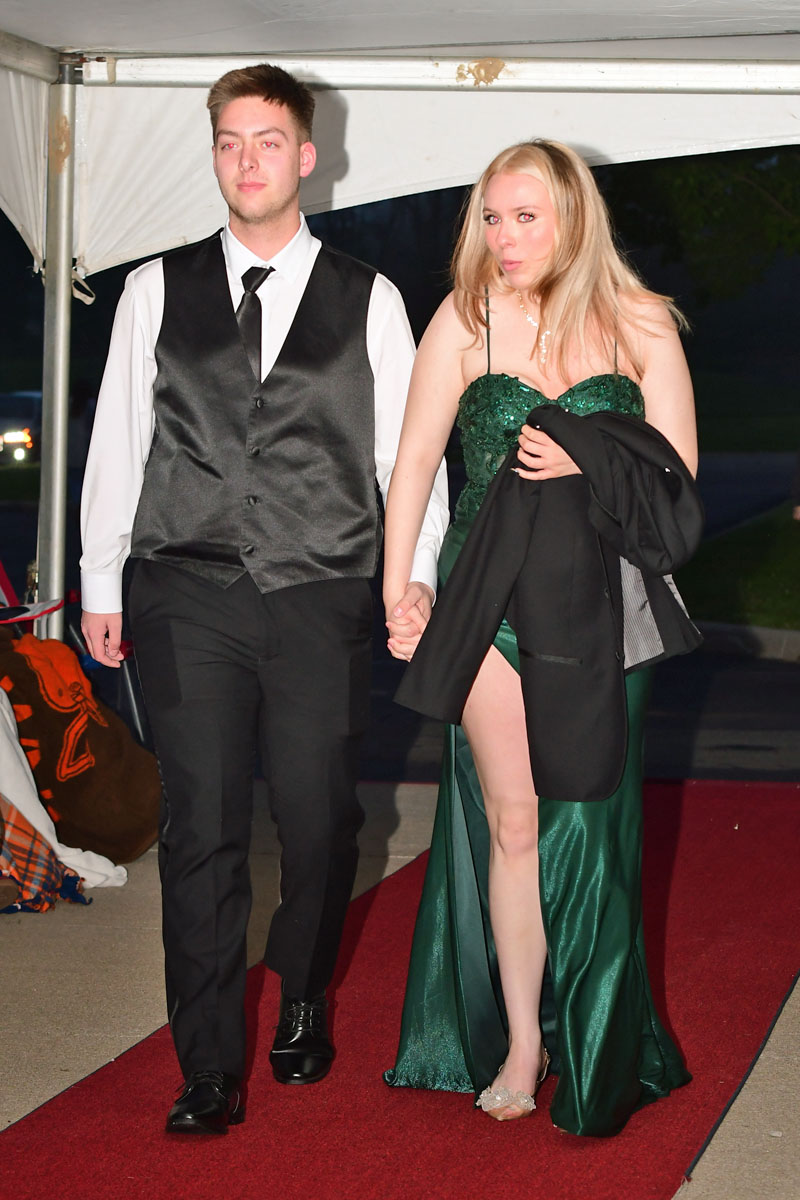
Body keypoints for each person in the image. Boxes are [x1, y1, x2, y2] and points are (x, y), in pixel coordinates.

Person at [80, 63, 448, 1136]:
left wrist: (406, 576)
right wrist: (102, 577)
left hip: (319, 594)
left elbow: (409, 463)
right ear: (216, 156)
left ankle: (301, 992)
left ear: (307, 157)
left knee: (321, 819)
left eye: (267, 141)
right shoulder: (154, 289)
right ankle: (207, 1064)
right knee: (198, 828)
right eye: (230, 142)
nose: (249, 160)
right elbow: (118, 444)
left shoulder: (371, 298)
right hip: (184, 591)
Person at [382, 139, 699, 1136]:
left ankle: (603, 1039)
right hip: (487, 613)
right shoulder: (462, 319)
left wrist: (584, 457)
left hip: (607, 617)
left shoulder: (638, 321)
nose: (504, 237)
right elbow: (412, 466)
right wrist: (401, 586)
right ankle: (523, 1042)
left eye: (525, 216)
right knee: (513, 826)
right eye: (490, 216)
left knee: (590, 833)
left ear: (571, 219)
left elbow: (677, 483)